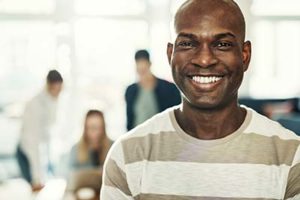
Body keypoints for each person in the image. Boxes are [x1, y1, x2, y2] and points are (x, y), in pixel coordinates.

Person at [101, 0, 300, 199]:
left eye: (222, 44)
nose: (204, 60)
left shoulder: (291, 156)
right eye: (188, 44)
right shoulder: (127, 156)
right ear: (171, 55)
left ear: (245, 55)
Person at [16, 70, 63, 191]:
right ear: (49, 86)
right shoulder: (35, 105)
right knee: (35, 190)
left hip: (41, 151)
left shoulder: (51, 100)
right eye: (56, 90)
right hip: (27, 152)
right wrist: (36, 178)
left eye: (60, 90)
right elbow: (32, 142)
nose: (58, 93)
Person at [125, 49, 181, 130]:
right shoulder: (131, 91)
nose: (142, 73)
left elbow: (176, 117)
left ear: (149, 64)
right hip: (138, 138)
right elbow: (130, 120)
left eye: (144, 70)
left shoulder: (169, 89)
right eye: (140, 70)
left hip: (162, 136)